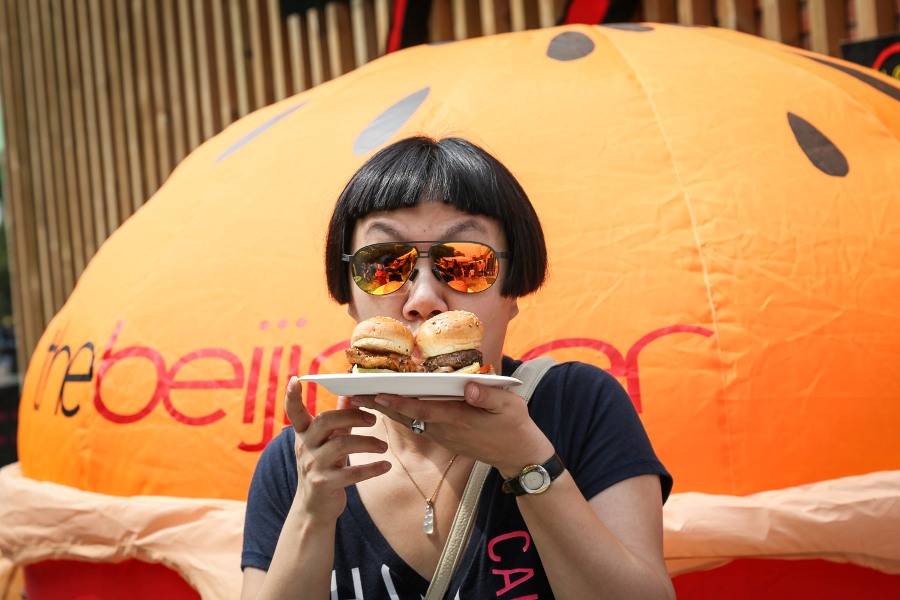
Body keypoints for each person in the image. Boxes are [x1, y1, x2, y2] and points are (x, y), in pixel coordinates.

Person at [240, 136, 675, 599]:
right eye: (385, 265)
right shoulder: (298, 463)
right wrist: (311, 512)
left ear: (514, 291)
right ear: (348, 295)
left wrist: (527, 463)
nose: (424, 299)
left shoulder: (579, 407)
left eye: (465, 263)